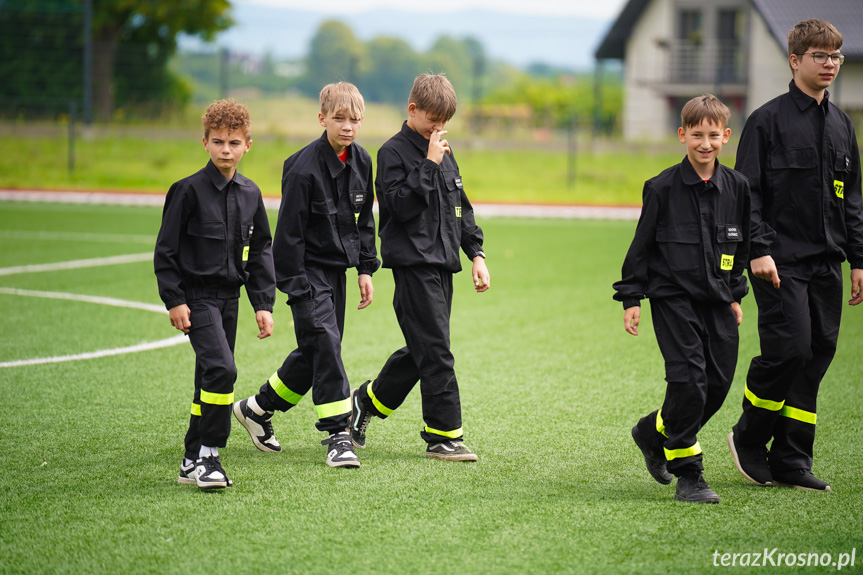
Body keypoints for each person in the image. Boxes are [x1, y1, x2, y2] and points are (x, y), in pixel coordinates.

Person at [727, 19, 863, 492]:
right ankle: (748, 437)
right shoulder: (766, 121)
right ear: (795, 60)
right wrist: (758, 250)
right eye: (820, 56)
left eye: (836, 57)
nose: (830, 65)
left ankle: (792, 459)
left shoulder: (843, 126)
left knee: (817, 356)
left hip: (828, 262)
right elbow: (746, 196)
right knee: (791, 350)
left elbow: (853, 201)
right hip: (779, 263)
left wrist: (859, 259)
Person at [233, 82, 379, 468]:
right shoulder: (302, 169)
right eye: (339, 118)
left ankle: (257, 408)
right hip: (305, 272)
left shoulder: (363, 161)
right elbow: (288, 236)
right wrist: (296, 290)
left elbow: (365, 223)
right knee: (327, 344)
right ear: (322, 119)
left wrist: (365, 269)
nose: (347, 126)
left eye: (355, 119)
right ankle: (338, 434)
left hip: (338, 273)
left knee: (318, 348)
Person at [613, 94, 751, 503]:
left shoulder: (738, 188)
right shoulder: (660, 188)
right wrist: (631, 297)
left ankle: (651, 432)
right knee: (690, 378)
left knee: (717, 383)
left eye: (713, 135)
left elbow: (739, 249)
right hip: (672, 299)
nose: (704, 143)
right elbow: (641, 246)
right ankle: (689, 474)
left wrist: (735, 294)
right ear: (682, 135)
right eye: (696, 135)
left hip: (718, 298)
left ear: (726, 136)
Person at [348, 73, 489, 462]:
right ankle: (443, 436)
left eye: (444, 123)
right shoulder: (391, 153)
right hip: (412, 267)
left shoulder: (443, 148)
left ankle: (363, 402)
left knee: (424, 349)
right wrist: (428, 164)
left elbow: (461, 206)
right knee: (437, 351)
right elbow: (399, 207)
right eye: (432, 120)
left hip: (445, 266)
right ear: (412, 110)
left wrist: (476, 254)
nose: (438, 129)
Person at [154, 99, 276, 490]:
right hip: (197, 297)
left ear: (247, 146)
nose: (226, 149)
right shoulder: (187, 191)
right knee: (223, 371)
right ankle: (210, 455)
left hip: (231, 300)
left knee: (207, 380)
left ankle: (190, 461)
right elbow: (166, 251)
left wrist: (263, 304)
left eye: (234, 143)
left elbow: (260, 253)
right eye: (219, 141)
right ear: (204, 142)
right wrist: (174, 299)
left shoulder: (251, 194)